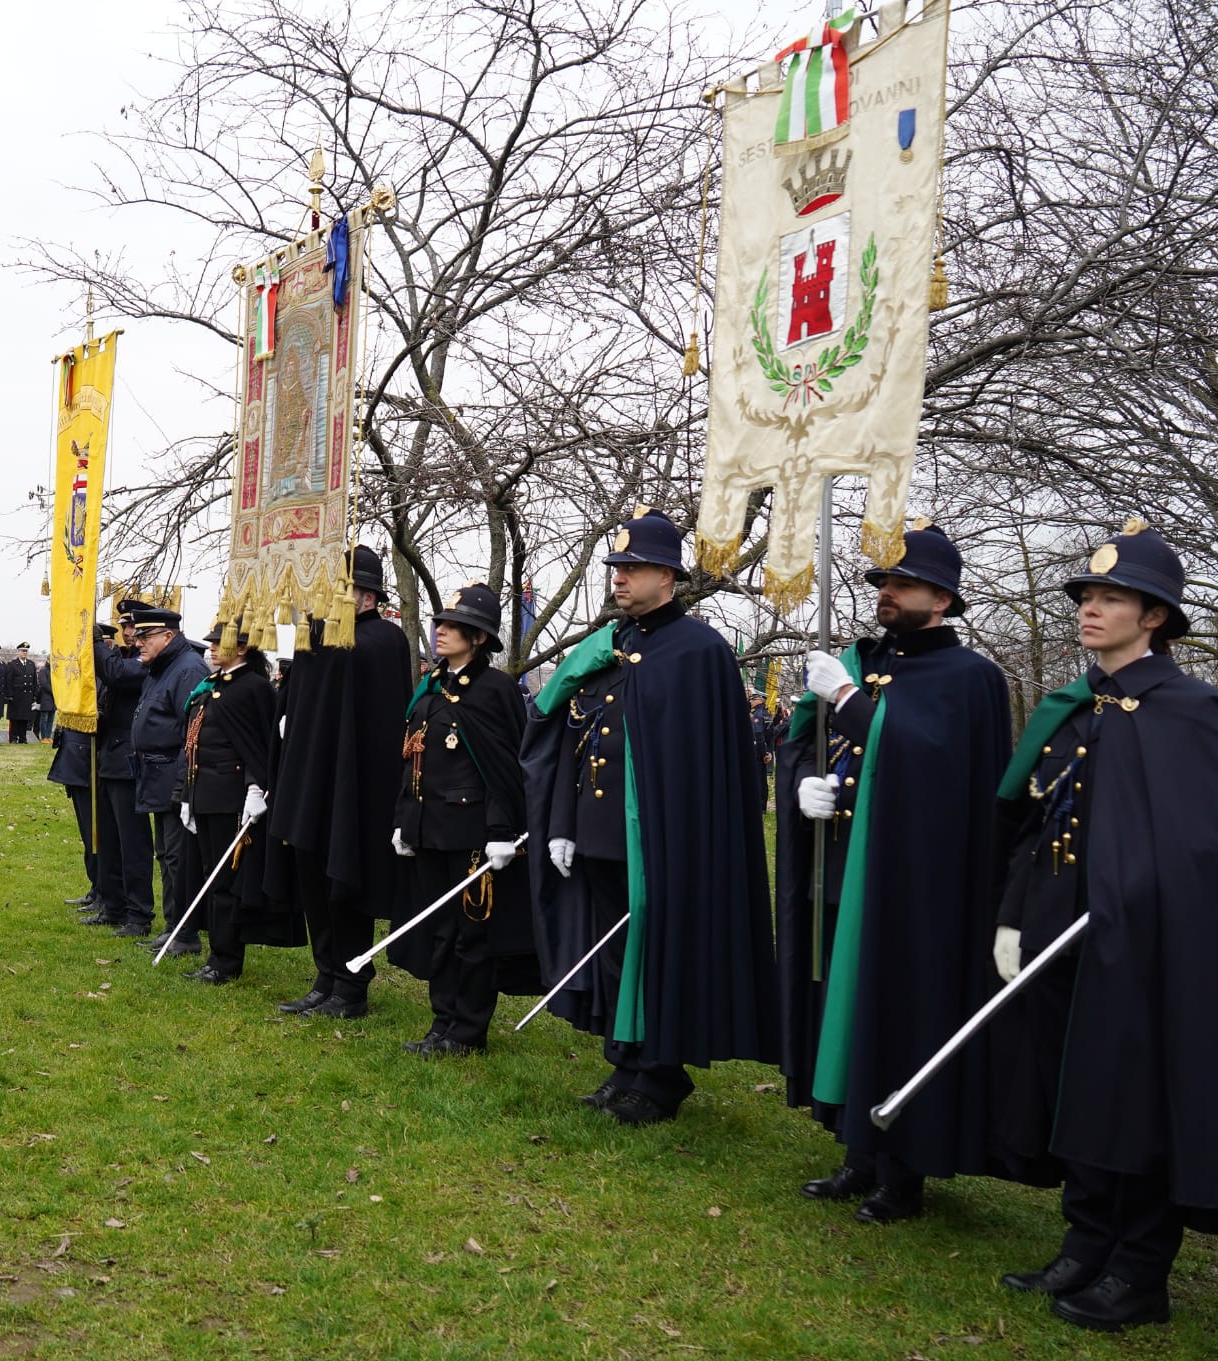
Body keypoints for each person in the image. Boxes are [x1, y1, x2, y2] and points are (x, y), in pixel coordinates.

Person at [991, 521, 1218, 1333]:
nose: (1090, 609)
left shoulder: (1191, 711)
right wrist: (1015, 915)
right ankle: (1086, 1238)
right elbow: (1033, 821)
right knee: (1074, 1085)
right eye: (1086, 595)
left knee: (1138, 1095)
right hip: (1062, 932)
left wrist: (1145, 900)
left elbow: (1197, 843)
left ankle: (1140, 1267)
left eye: (1110, 598)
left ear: (1153, 615)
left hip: (1148, 942)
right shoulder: (1075, 707)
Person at [775, 524, 1012, 1224]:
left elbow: (928, 766)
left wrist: (848, 700)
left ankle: (902, 1169)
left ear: (941, 598)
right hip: (847, 857)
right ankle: (857, 1149)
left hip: (917, 876)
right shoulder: (870, 661)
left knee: (904, 1006)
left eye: (902, 584)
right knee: (849, 1001)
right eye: (882, 582)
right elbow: (816, 746)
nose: (885, 593)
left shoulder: (970, 678)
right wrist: (805, 781)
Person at [520, 508, 778, 1124]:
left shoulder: (699, 651)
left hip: (667, 838)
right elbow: (572, 736)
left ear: (667, 575)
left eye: (631, 569)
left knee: (658, 952)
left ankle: (662, 1075)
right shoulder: (613, 644)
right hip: (602, 835)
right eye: (616, 568)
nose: (618, 579)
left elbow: (705, 765)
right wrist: (563, 824)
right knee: (614, 954)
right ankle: (626, 1060)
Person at [265, 544, 411, 1019]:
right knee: (312, 877)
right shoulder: (319, 641)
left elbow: (369, 711)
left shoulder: (382, 640)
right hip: (311, 777)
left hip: (355, 785)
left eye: (342, 590)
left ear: (367, 598)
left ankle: (351, 985)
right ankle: (325, 974)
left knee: (345, 883)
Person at [388, 583, 530, 1055]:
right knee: (440, 932)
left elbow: (506, 769)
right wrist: (403, 821)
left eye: (453, 626)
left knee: (472, 933)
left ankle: (468, 1031)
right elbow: (413, 760)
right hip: (428, 829)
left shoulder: (495, 690)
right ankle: (441, 1022)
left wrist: (501, 831)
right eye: (440, 624)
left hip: (473, 835)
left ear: (479, 637)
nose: (441, 631)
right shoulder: (430, 689)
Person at [179, 627, 295, 984]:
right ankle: (216, 952)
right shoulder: (215, 684)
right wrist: (188, 796)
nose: (212, 649)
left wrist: (255, 788)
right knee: (210, 877)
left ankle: (225, 961)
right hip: (205, 796)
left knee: (226, 880)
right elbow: (196, 743)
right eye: (211, 643)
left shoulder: (254, 688)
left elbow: (261, 745)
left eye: (220, 643)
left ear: (242, 648)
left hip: (233, 799)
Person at [124, 602, 210, 954]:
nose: (137, 641)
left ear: (168, 635)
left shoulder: (187, 669)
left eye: (145, 636)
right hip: (156, 776)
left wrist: (181, 786)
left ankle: (185, 933)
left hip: (174, 779)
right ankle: (173, 927)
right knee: (167, 855)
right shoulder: (162, 666)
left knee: (179, 858)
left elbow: (192, 734)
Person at [47, 627, 122, 919]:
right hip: (76, 762)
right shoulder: (79, 673)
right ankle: (96, 887)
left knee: (99, 835)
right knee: (87, 834)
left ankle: (106, 892)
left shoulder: (103, 675)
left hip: (92, 763)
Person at [94, 618, 158, 939]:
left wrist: (92, 643)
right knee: (109, 840)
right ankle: (113, 905)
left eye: (136, 629)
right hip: (110, 756)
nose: (130, 634)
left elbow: (117, 675)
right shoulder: (125, 655)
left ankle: (138, 913)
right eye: (128, 629)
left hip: (129, 761)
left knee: (132, 844)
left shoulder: (146, 662)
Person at [6, 643, 36, 743]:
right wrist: (9, 695)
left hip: (27, 695)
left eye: (26, 651)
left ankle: (23, 738)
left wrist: (34, 695)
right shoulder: (12, 664)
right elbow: (9, 681)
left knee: (24, 718)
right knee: (15, 718)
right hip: (16, 695)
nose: (24, 653)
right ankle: (14, 738)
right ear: (18, 652)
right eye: (22, 651)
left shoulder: (31, 664)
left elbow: (34, 681)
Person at [35, 655, 55, 741]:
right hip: (45, 698)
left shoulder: (55, 671)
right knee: (44, 719)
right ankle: (43, 737)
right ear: (47, 660)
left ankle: (48, 736)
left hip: (54, 699)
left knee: (51, 719)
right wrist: (54, 691)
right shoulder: (43, 670)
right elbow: (44, 684)